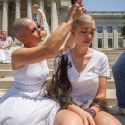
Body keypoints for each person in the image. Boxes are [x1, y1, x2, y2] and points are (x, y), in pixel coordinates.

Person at [0, 1, 84, 125]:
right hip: (22, 100)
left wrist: (72, 11)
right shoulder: (17, 54)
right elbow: (49, 50)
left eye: (38, 27)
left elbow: (66, 48)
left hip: (42, 97)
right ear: (23, 38)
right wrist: (72, 20)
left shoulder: (42, 49)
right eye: (34, 30)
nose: (40, 30)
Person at [46, 13, 122, 125]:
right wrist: (81, 112)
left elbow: (101, 95)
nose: (89, 36)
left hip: (94, 107)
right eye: (84, 31)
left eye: (92, 32)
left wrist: (91, 111)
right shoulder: (62, 58)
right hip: (69, 106)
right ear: (73, 32)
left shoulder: (101, 58)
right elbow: (58, 92)